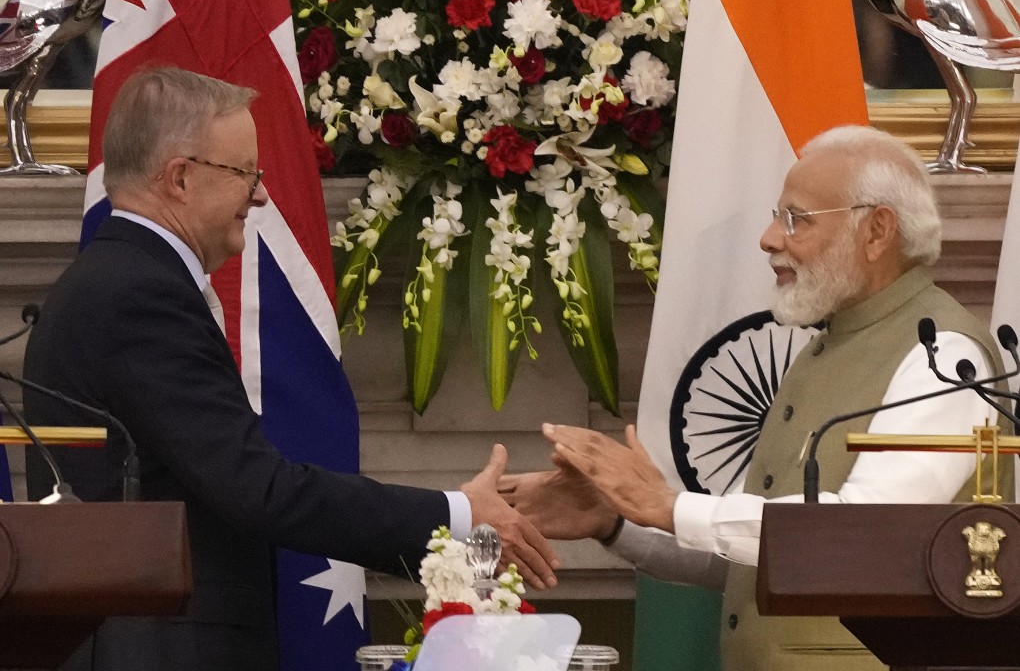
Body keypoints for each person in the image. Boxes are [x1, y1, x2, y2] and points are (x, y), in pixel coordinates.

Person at [21, 67, 558, 671]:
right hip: (159, 646)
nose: (260, 194)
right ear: (179, 178)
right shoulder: (138, 293)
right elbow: (258, 488)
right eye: (245, 173)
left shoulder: (116, 279)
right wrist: (456, 513)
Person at [500, 125, 1014, 671]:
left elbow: (859, 539)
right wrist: (618, 520)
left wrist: (671, 506)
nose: (769, 238)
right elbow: (759, 557)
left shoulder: (944, 358)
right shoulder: (828, 346)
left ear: (877, 230)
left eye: (796, 218)